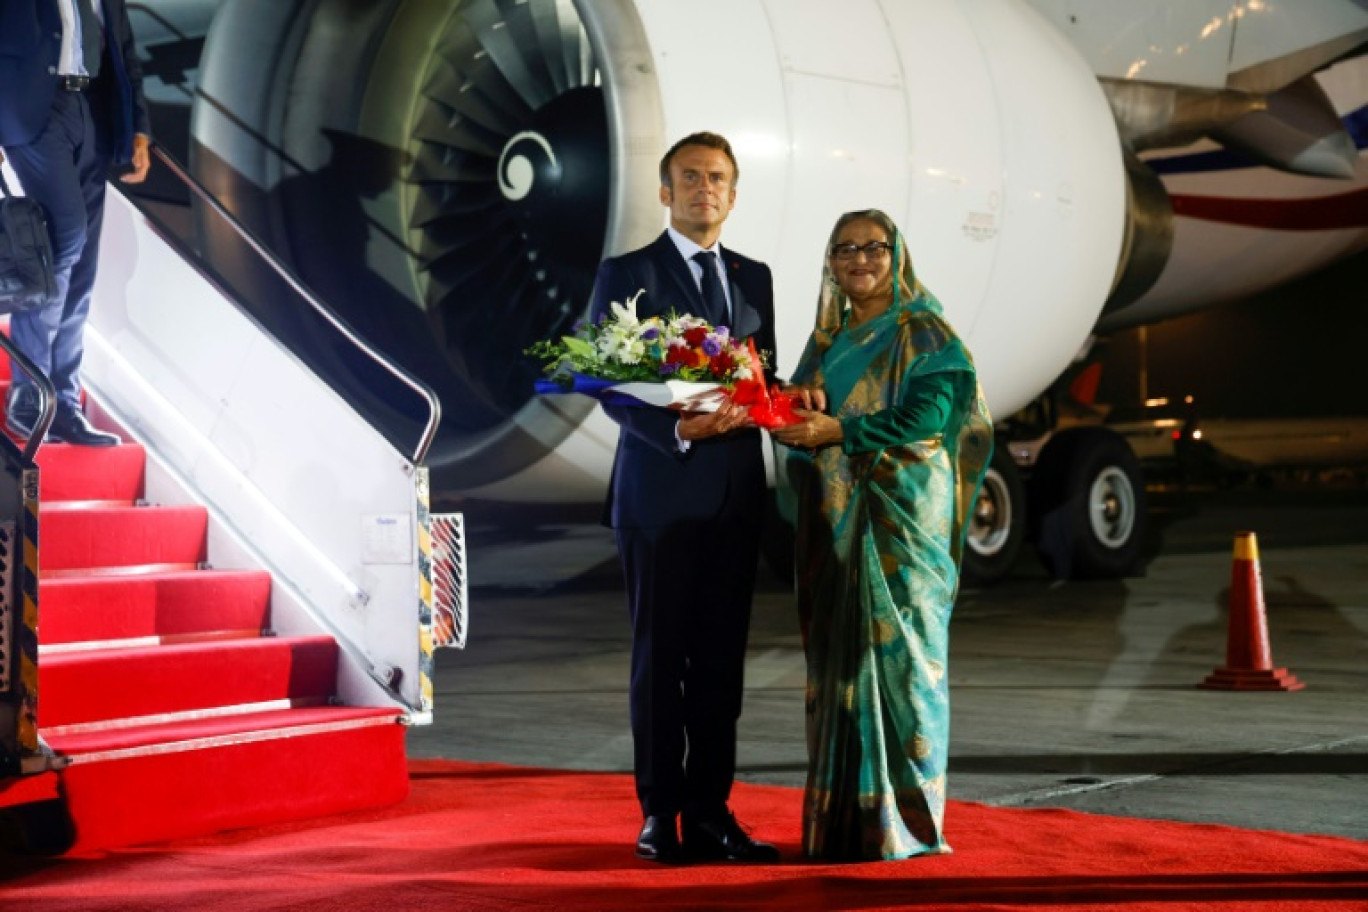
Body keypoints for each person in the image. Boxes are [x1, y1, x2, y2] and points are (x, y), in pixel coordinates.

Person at [770, 209, 992, 861]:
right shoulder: (827, 340)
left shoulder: (925, 332)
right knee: (838, 673)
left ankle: (910, 828)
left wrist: (837, 432)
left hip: (902, 523)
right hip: (835, 522)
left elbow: (933, 415)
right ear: (830, 264)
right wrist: (790, 405)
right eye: (845, 248)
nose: (860, 258)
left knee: (904, 665)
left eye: (874, 246)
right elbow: (804, 406)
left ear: (898, 255)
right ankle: (847, 824)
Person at [588, 131, 780, 864]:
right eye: (691, 177)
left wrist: (781, 404)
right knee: (659, 660)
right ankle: (658, 812)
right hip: (659, 494)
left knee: (721, 668)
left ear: (733, 194)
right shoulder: (626, 272)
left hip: (734, 498)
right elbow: (605, 380)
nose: (707, 189)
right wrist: (678, 429)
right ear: (666, 192)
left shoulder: (754, 276)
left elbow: (765, 373)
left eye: (720, 178)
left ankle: (710, 813)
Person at [0, 0, 151, 446]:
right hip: (33, 112)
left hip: (95, 113)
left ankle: (63, 403)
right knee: (64, 241)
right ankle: (30, 397)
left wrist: (138, 126)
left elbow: (123, 49)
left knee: (81, 265)